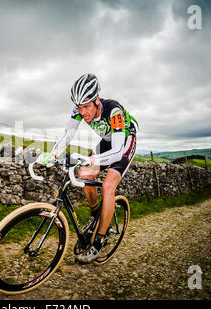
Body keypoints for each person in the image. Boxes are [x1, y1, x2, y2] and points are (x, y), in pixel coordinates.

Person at [38, 73, 138, 263]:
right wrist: (52, 155)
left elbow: (117, 151)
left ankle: (99, 241)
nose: (82, 112)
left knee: (108, 186)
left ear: (97, 100)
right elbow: (68, 133)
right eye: (79, 107)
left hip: (124, 141)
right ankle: (95, 215)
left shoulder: (113, 111)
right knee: (84, 175)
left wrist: (90, 159)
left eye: (86, 107)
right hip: (108, 141)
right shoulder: (79, 109)